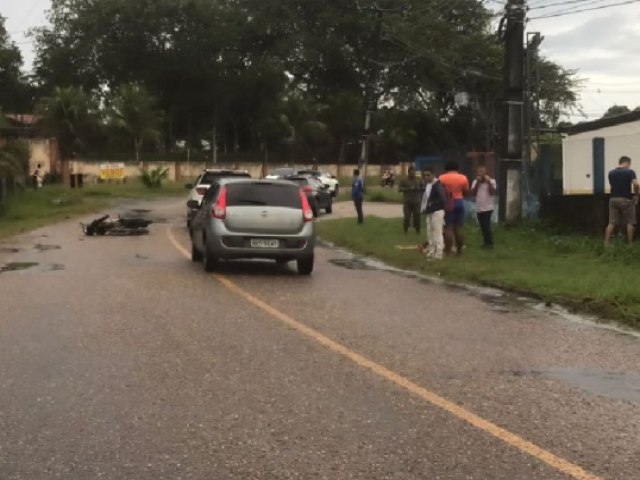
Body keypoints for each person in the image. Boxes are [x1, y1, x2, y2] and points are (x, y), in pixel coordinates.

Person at [605, 156, 640, 245]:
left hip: (613, 199)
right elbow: (636, 184)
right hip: (625, 199)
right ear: (627, 163)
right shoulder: (630, 172)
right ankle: (630, 244)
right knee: (630, 222)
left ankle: (606, 244)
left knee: (611, 222)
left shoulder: (611, 173)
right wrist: (636, 194)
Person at [439, 160, 470, 256]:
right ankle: (459, 251)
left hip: (448, 203)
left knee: (448, 227)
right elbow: (466, 192)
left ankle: (447, 251)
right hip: (459, 202)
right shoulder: (463, 178)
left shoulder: (442, 178)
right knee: (458, 227)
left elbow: (439, 192)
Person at [420, 169, 446, 260]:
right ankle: (431, 252)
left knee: (437, 233)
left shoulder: (437, 185)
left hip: (437, 211)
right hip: (430, 211)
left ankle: (439, 254)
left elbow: (442, 199)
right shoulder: (428, 185)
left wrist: (432, 204)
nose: (426, 177)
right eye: (425, 175)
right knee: (430, 233)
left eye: (428, 175)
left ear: (433, 175)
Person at [470, 166, 497, 248]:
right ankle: (486, 242)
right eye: (478, 172)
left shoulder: (492, 181)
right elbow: (473, 193)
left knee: (486, 225)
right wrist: (478, 183)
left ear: (485, 173)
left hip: (488, 206)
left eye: (482, 171)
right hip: (479, 206)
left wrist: (488, 182)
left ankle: (489, 243)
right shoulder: (475, 181)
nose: (480, 173)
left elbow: (493, 192)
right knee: (482, 226)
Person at [398, 166, 424, 234]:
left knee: (417, 217)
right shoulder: (404, 180)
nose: (413, 173)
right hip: (407, 202)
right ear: (408, 172)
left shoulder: (419, 179)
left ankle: (417, 231)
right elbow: (399, 189)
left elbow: (423, 187)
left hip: (417, 201)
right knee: (407, 217)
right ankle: (405, 231)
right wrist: (408, 189)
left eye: (414, 171)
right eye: (411, 172)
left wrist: (418, 188)